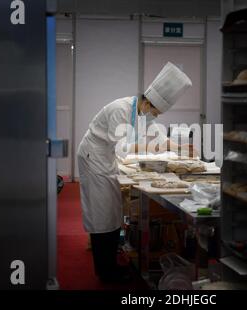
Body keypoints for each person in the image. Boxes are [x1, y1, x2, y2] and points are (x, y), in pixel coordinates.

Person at [77, 62, 193, 283]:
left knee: (112, 212)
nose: (155, 117)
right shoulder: (121, 110)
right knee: (103, 214)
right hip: (94, 158)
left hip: (106, 159)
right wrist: (156, 149)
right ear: (148, 103)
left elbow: (157, 137)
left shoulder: (139, 112)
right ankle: (105, 272)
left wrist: (178, 147)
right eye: (156, 112)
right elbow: (124, 148)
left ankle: (110, 264)